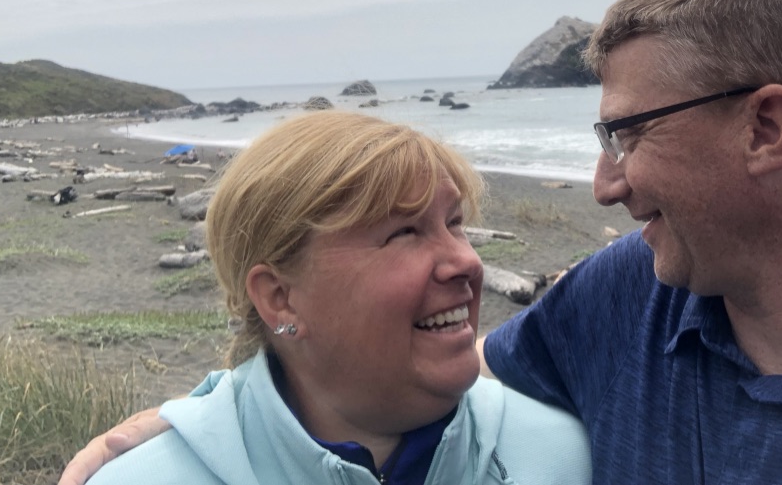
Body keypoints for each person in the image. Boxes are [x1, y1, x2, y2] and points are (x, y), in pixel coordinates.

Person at [62, 0, 782, 484]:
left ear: (766, 127)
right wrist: (200, 427)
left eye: (627, 133)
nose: (605, 184)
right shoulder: (633, 297)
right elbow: (418, 361)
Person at [78, 111, 590, 485]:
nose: (467, 262)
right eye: (404, 232)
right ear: (280, 298)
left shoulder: (562, 455)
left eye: (455, 223)